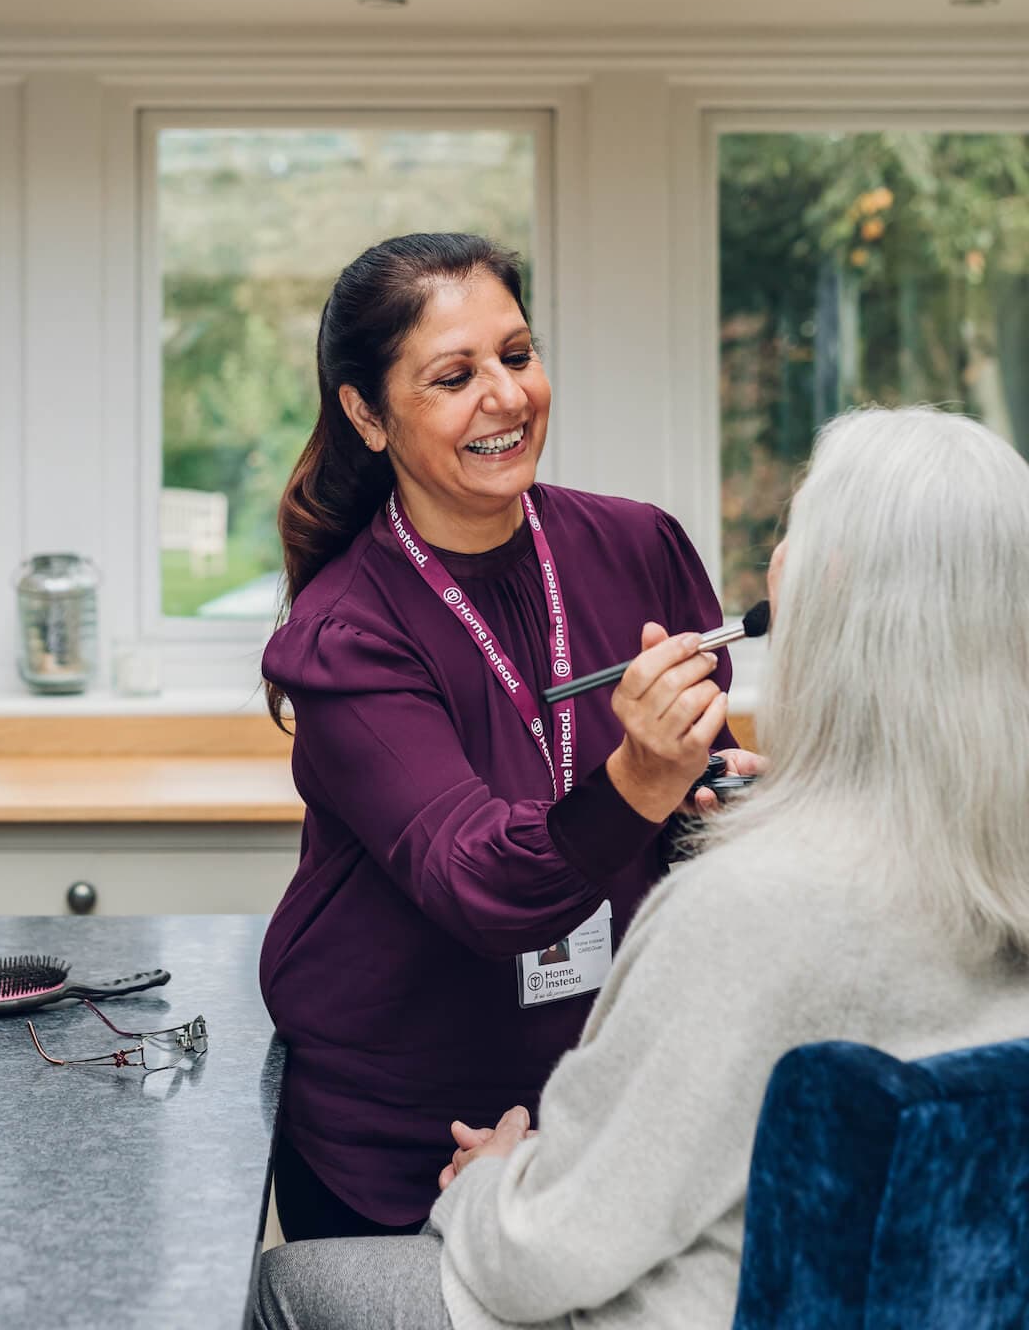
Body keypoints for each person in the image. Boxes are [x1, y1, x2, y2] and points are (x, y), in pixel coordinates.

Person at [255, 404, 1029, 1330]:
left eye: (791, 526)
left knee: (283, 1287)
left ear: (824, 589)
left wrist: (487, 1184)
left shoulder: (741, 910)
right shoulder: (991, 864)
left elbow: (544, 1256)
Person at [259, 232, 757, 1239]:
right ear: (365, 413)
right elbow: (479, 886)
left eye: (517, 356)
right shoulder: (343, 634)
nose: (506, 396)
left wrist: (716, 792)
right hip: (405, 1139)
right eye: (453, 376)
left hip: (601, 1110)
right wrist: (637, 779)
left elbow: (686, 772)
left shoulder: (637, 543)